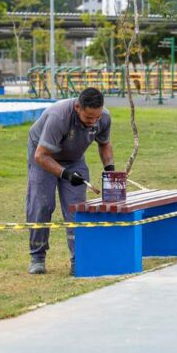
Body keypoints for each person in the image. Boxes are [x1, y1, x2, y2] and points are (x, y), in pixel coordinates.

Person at [26, 87, 114, 275]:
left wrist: (110, 170)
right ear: (77, 107)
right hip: (43, 157)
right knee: (42, 205)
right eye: (89, 118)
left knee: (76, 209)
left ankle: (78, 260)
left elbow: (104, 143)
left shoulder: (104, 117)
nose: (93, 122)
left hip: (74, 160)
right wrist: (65, 174)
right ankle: (37, 257)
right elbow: (40, 155)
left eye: (97, 117)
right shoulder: (58, 117)